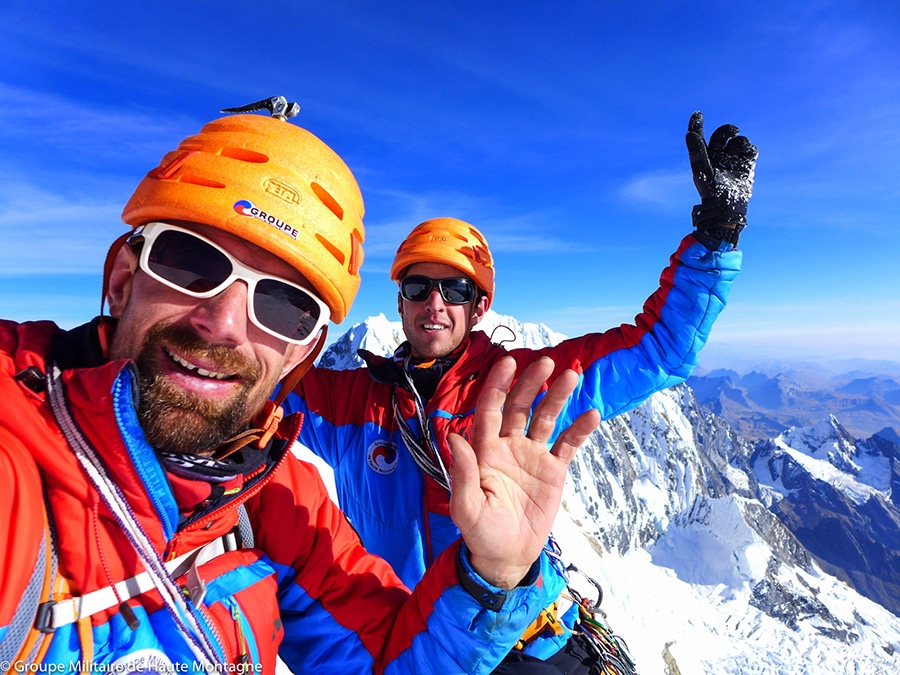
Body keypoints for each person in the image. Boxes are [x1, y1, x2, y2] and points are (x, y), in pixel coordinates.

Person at [0, 97, 602, 674]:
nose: (225, 325)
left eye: (285, 304)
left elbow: (389, 658)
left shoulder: (274, 500)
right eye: (190, 264)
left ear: (303, 351)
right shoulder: (18, 443)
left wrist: (493, 572)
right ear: (124, 279)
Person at [282, 112, 759, 673]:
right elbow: (255, 380)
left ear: (478, 305)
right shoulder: (351, 400)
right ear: (401, 303)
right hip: (427, 646)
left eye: (454, 288)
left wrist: (715, 240)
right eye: (418, 286)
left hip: (525, 639)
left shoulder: (522, 381)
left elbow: (659, 349)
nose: (435, 303)